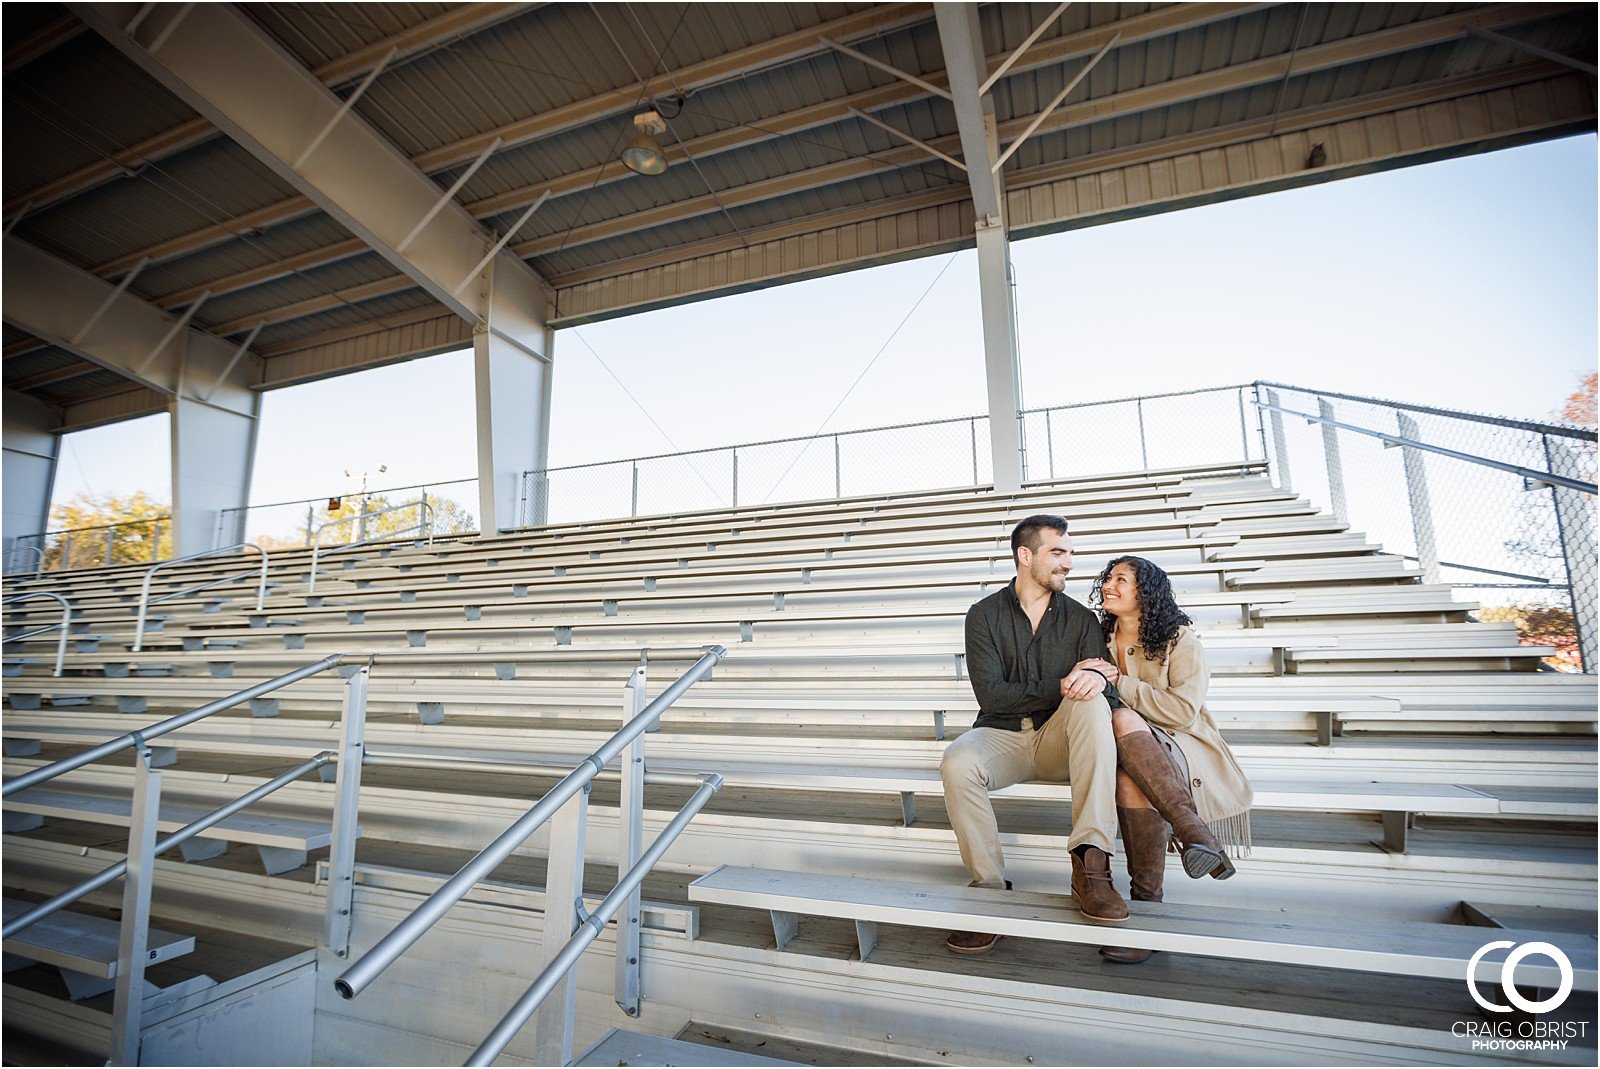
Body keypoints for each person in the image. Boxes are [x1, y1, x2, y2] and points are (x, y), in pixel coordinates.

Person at [940, 515, 1128, 955]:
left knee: (1093, 698)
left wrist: (1093, 682)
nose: (1069, 564)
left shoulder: (1081, 620)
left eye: (1069, 554)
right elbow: (993, 695)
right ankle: (988, 889)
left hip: (1059, 737)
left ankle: (1091, 866)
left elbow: (1103, 689)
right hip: (1001, 736)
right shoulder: (983, 615)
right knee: (957, 761)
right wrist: (1063, 682)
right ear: (1026, 556)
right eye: (1058, 553)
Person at [1079, 555, 1254, 964]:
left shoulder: (1179, 640)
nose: (1110, 585)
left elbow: (1181, 712)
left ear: (1146, 592)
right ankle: (1191, 839)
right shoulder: (1096, 637)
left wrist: (1120, 681)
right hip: (1123, 745)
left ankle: (1153, 900)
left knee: (1123, 717)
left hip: (1180, 741)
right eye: (1109, 577)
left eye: (1122, 579)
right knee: (1125, 777)